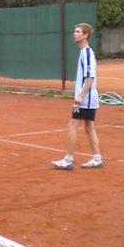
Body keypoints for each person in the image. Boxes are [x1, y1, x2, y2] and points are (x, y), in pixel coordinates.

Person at [52, 23, 103, 170]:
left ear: (85, 35)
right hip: (89, 98)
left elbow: (90, 78)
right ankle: (97, 158)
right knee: (89, 127)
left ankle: (68, 160)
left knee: (72, 125)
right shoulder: (84, 52)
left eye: (78, 32)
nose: (74, 34)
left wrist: (80, 96)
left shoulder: (87, 53)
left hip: (86, 98)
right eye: (75, 31)